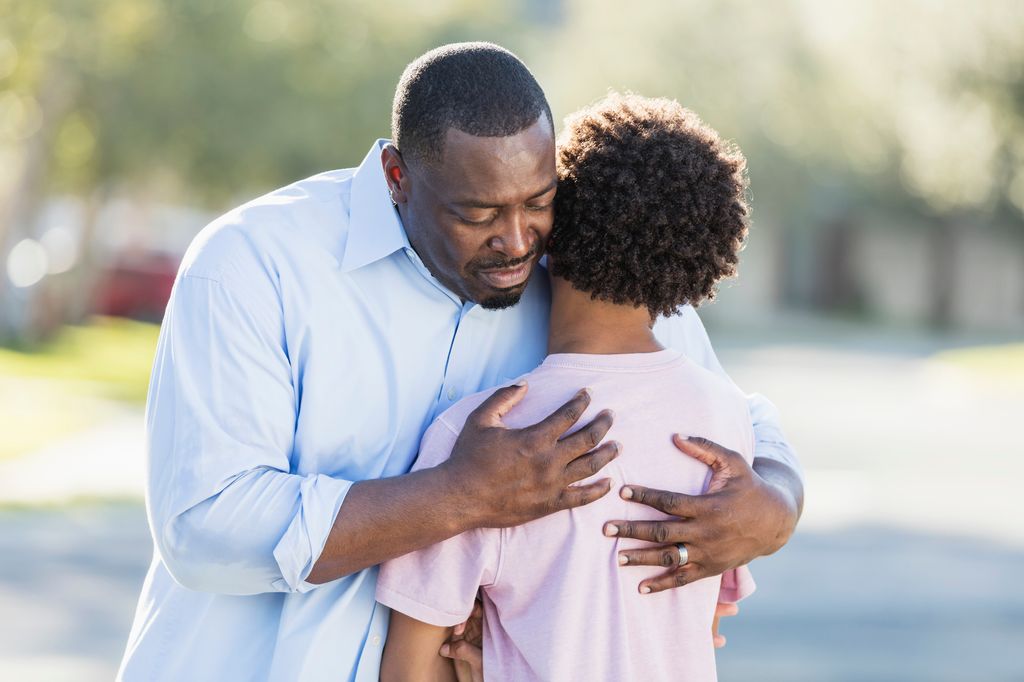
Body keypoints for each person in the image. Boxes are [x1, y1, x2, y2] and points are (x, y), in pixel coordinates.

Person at [118, 43, 803, 682]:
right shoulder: (254, 265)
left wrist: (775, 504)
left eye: (538, 201)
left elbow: (735, 416)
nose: (516, 239)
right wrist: (459, 496)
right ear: (397, 177)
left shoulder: (587, 267)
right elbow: (206, 525)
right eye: (477, 213)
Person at [377, 92, 758, 682]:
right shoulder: (728, 419)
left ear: (551, 223)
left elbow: (407, 671)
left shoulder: (483, 436)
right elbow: (703, 626)